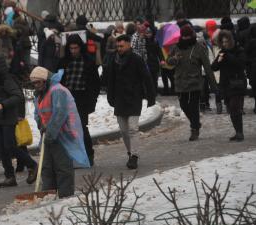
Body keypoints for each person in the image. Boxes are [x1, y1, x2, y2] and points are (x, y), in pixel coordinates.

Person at [30, 67, 90, 198]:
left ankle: (65, 196)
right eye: (34, 83)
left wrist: (50, 133)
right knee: (46, 168)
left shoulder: (58, 91)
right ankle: (48, 195)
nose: (36, 86)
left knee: (62, 167)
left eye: (38, 82)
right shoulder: (39, 94)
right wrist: (42, 126)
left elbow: (60, 114)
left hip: (63, 135)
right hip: (48, 134)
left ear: (45, 80)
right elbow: (38, 113)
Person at [0, 54, 38, 187]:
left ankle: (33, 165)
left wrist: (3, 105)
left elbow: (18, 96)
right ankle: (10, 177)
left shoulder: (7, 79)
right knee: (2, 149)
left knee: (10, 146)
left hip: (8, 118)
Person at [106, 35, 156, 169]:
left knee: (133, 129)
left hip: (134, 98)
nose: (119, 48)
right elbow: (111, 79)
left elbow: (147, 78)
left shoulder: (137, 59)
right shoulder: (114, 60)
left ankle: (134, 156)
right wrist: (110, 97)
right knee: (123, 130)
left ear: (129, 45)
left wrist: (151, 97)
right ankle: (130, 152)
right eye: (117, 46)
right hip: (119, 99)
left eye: (121, 46)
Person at [167, 25, 218, 141]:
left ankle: (194, 129)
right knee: (184, 105)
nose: (185, 39)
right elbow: (168, 62)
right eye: (183, 36)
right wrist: (174, 59)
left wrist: (214, 86)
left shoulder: (199, 47)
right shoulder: (176, 47)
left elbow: (207, 67)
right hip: (180, 82)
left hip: (194, 82)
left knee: (193, 107)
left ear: (191, 36)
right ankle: (196, 123)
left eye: (187, 36)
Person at [58, 34, 101, 166]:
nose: (73, 51)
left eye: (76, 48)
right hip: (67, 98)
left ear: (80, 47)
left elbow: (95, 82)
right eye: (71, 48)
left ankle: (89, 154)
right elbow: (58, 80)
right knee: (68, 129)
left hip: (82, 98)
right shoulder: (64, 62)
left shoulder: (88, 61)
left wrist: (92, 100)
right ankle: (73, 156)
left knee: (82, 127)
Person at [212, 30, 247, 141]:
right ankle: (237, 132)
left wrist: (228, 56)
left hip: (237, 83)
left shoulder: (239, 50)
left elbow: (241, 64)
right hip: (226, 84)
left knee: (234, 107)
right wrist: (219, 60)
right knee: (231, 110)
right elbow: (213, 67)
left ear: (231, 41)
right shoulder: (222, 52)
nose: (225, 44)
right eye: (223, 42)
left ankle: (240, 133)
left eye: (227, 41)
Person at [245, 24, 256, 114]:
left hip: (254, 67)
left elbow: (246, 55)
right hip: (254, 65)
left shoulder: (250, 42)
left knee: (255, 88)